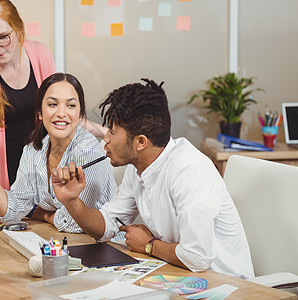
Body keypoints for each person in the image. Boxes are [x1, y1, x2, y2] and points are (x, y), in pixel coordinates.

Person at [50, 78, 255, 279]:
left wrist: (148, 245)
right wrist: (71, 200)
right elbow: (106, 226)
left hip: (227, 285)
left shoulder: (189, 170)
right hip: (179, 277)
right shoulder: (138, 167)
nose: (106, 137)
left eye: (112, 130)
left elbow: (197, 258)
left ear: (141, 142)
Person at [0, 0, 106, 194]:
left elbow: (59, 115)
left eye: (3, 37)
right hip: (5, 176)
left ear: (19, 29)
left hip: (41, 170)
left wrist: (108, 133)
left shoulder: (40, 54)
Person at [0, 73, 116, 233]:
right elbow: (13, 210)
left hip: (108, 247)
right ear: (39, 112)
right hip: (66, 242)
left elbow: (74, 224)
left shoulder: (88, 152)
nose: (61, 113)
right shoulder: (33, 149)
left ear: (80, 114)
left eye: (71, 105)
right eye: (53, 104)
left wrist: (42, 214)